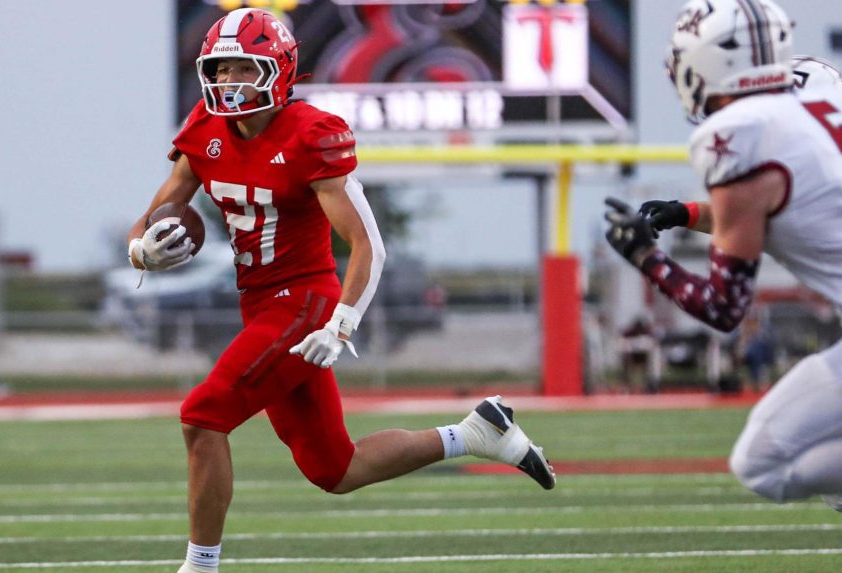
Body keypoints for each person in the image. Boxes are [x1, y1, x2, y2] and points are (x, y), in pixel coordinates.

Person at [126, 10, 555, 573]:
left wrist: (341, 322)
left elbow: (367, 246)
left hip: (305, 303)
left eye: (242, 70)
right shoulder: (204, 129)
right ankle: (476, 433)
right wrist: (140, 250)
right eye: (221, 70)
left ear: (277, 72)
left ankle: (200, 567)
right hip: (259, 306)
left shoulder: (311, 134)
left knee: (202, 416)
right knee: (335, 468)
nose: (229, 84)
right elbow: (158, 211)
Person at [604, 0, 842, 568]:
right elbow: (777, 204)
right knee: (762, 461)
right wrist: (689, 211)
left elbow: (724, 307)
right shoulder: (829, 119)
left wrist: (645, 258)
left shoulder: (741, 135)